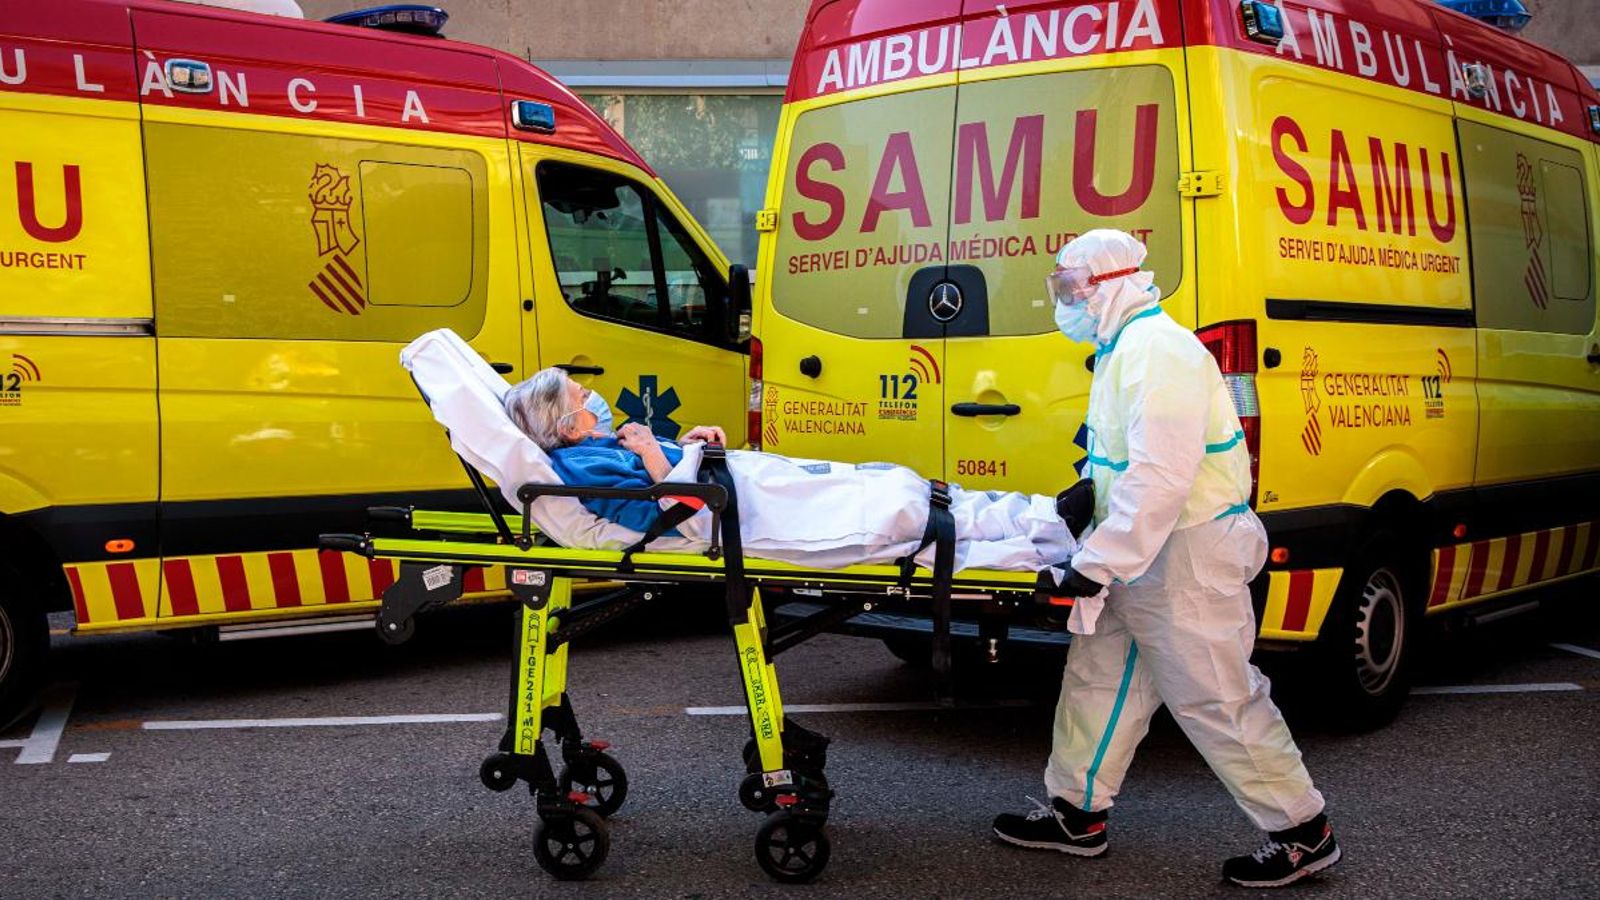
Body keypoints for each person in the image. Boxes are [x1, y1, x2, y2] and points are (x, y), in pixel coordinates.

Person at [990, 230, 1340, 888]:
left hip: (1186, 553)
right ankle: (1076, 812)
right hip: (1141, 551)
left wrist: (1098, 560)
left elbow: (1162, 476)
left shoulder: (1161, 352)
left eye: (1072, 288)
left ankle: (1303, 831)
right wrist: (1087, 499)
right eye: (1060, 287)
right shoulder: (1123, 349)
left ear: (1112, 281)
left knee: (1216, 696)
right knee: (1099, 680)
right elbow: (1127, 462)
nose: (1065, 301)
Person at [501, 367, 1096, 573]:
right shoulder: (581, 467)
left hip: (735, 485)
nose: (595, 399)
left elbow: (673, 475)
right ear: (569, 425)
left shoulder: (598, 448)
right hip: (730, 517)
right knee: (896, 521)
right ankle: (1045, 548)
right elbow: (663, 512)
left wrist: (690, 444)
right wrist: (658, 455)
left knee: (895, 484)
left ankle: (1043, 513)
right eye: (583, 397)